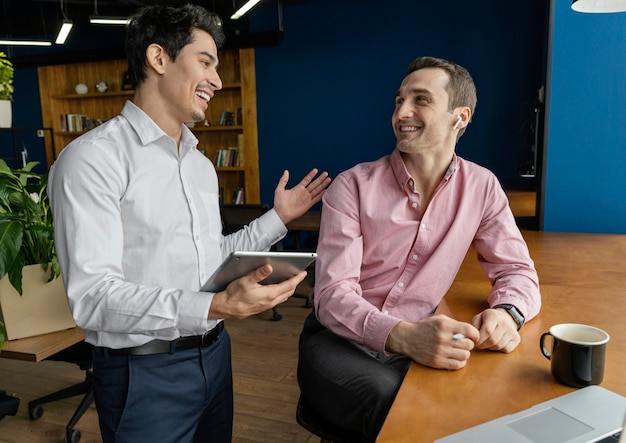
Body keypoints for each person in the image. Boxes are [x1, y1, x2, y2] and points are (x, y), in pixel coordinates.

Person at [47, 4, 330, 443]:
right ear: (158, 59)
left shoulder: (199, 165)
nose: (217, 79)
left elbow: (210, 258)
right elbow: (92, 297)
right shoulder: (92, 160)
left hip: (214, 356)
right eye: (206, 62)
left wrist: (279, 219)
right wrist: (215, 306)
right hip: (142, 372)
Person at [297, 56, 541, 443]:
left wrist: (508, 313)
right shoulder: (352, 186)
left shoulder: (482, 187)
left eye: (421, 100)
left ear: (460, 117)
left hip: (422, 339)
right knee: (406, 410)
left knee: (490, 402)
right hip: (340, 341)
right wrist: (402, 335)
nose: (401, 112)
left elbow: (516, 271)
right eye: (399, 100)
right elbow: (331, 296)